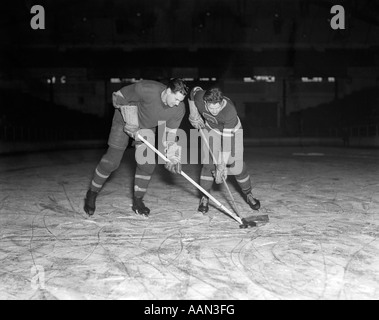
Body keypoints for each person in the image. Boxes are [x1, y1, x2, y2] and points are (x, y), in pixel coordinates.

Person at [84, 78, 189, 217]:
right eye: (176, 99)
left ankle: (138, 201)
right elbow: (118, 96)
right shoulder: (146, 89)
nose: (177, 103)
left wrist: (173, 156)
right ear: (168, 90)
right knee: (111, 162)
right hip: (122, 121)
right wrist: (131, 121)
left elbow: (170, 135)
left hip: (146, 127)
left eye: (180, 101)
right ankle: (92, 192)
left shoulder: (179, 109)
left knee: (146, 164)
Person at [187, 86, 261, 213]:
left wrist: (221, 165)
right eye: (211, 108)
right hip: (211, 129)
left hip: (232, 132)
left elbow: (226, 144)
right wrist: (193, 113)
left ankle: (248, 194)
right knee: (208, 164)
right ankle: (205, 197)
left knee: (235, 165)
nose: (214, 111)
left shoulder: (230, 111)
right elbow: (193, 92)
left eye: (218, 107)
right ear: (205, 103)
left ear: (222, 103)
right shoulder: (200, 98)